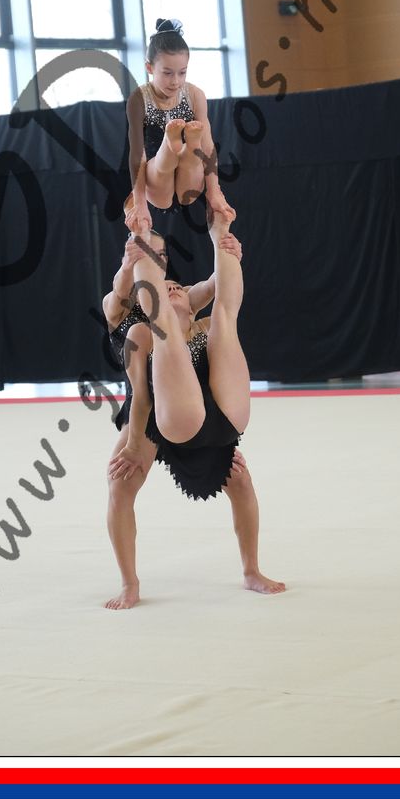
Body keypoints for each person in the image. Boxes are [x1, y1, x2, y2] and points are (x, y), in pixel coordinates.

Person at [101, 208, 285, 609]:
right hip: (148, 413)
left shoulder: (193, 314)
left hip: (197, 409)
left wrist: (229, 248)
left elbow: (219, 284)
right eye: (161, 278)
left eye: (177, 286)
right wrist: (132, 258)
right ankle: (129, 583)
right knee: (119, 485)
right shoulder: (131, 318)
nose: (172, 286)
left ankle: (251, 570)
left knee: (241, 481)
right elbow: (141, 392)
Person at [124, 18, 231, 232]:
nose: (175, 81)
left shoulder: (195, 95)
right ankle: (171, 143)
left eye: (182, 72)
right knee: (162, 164)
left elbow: (208, 146)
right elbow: (137, 155)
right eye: (167, 73)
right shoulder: (138, 99)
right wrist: (140, 203)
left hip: (189, 185)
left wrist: (214, 192)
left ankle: (185, 143)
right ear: (149, 67)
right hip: (157, 182)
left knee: (195, 153)